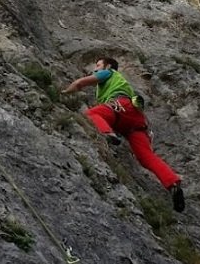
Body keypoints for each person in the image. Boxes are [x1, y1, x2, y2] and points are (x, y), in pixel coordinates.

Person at [64, 57, 185, 212]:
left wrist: (67, 90)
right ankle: (172, 182)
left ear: (107, 66)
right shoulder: (114, 84)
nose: (95, 69)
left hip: (120, 107)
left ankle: (108, 134)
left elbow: (81, 83)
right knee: (146, 157)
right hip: (135, 119)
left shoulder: (108, 72)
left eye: (98, 65)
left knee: (90, 114)